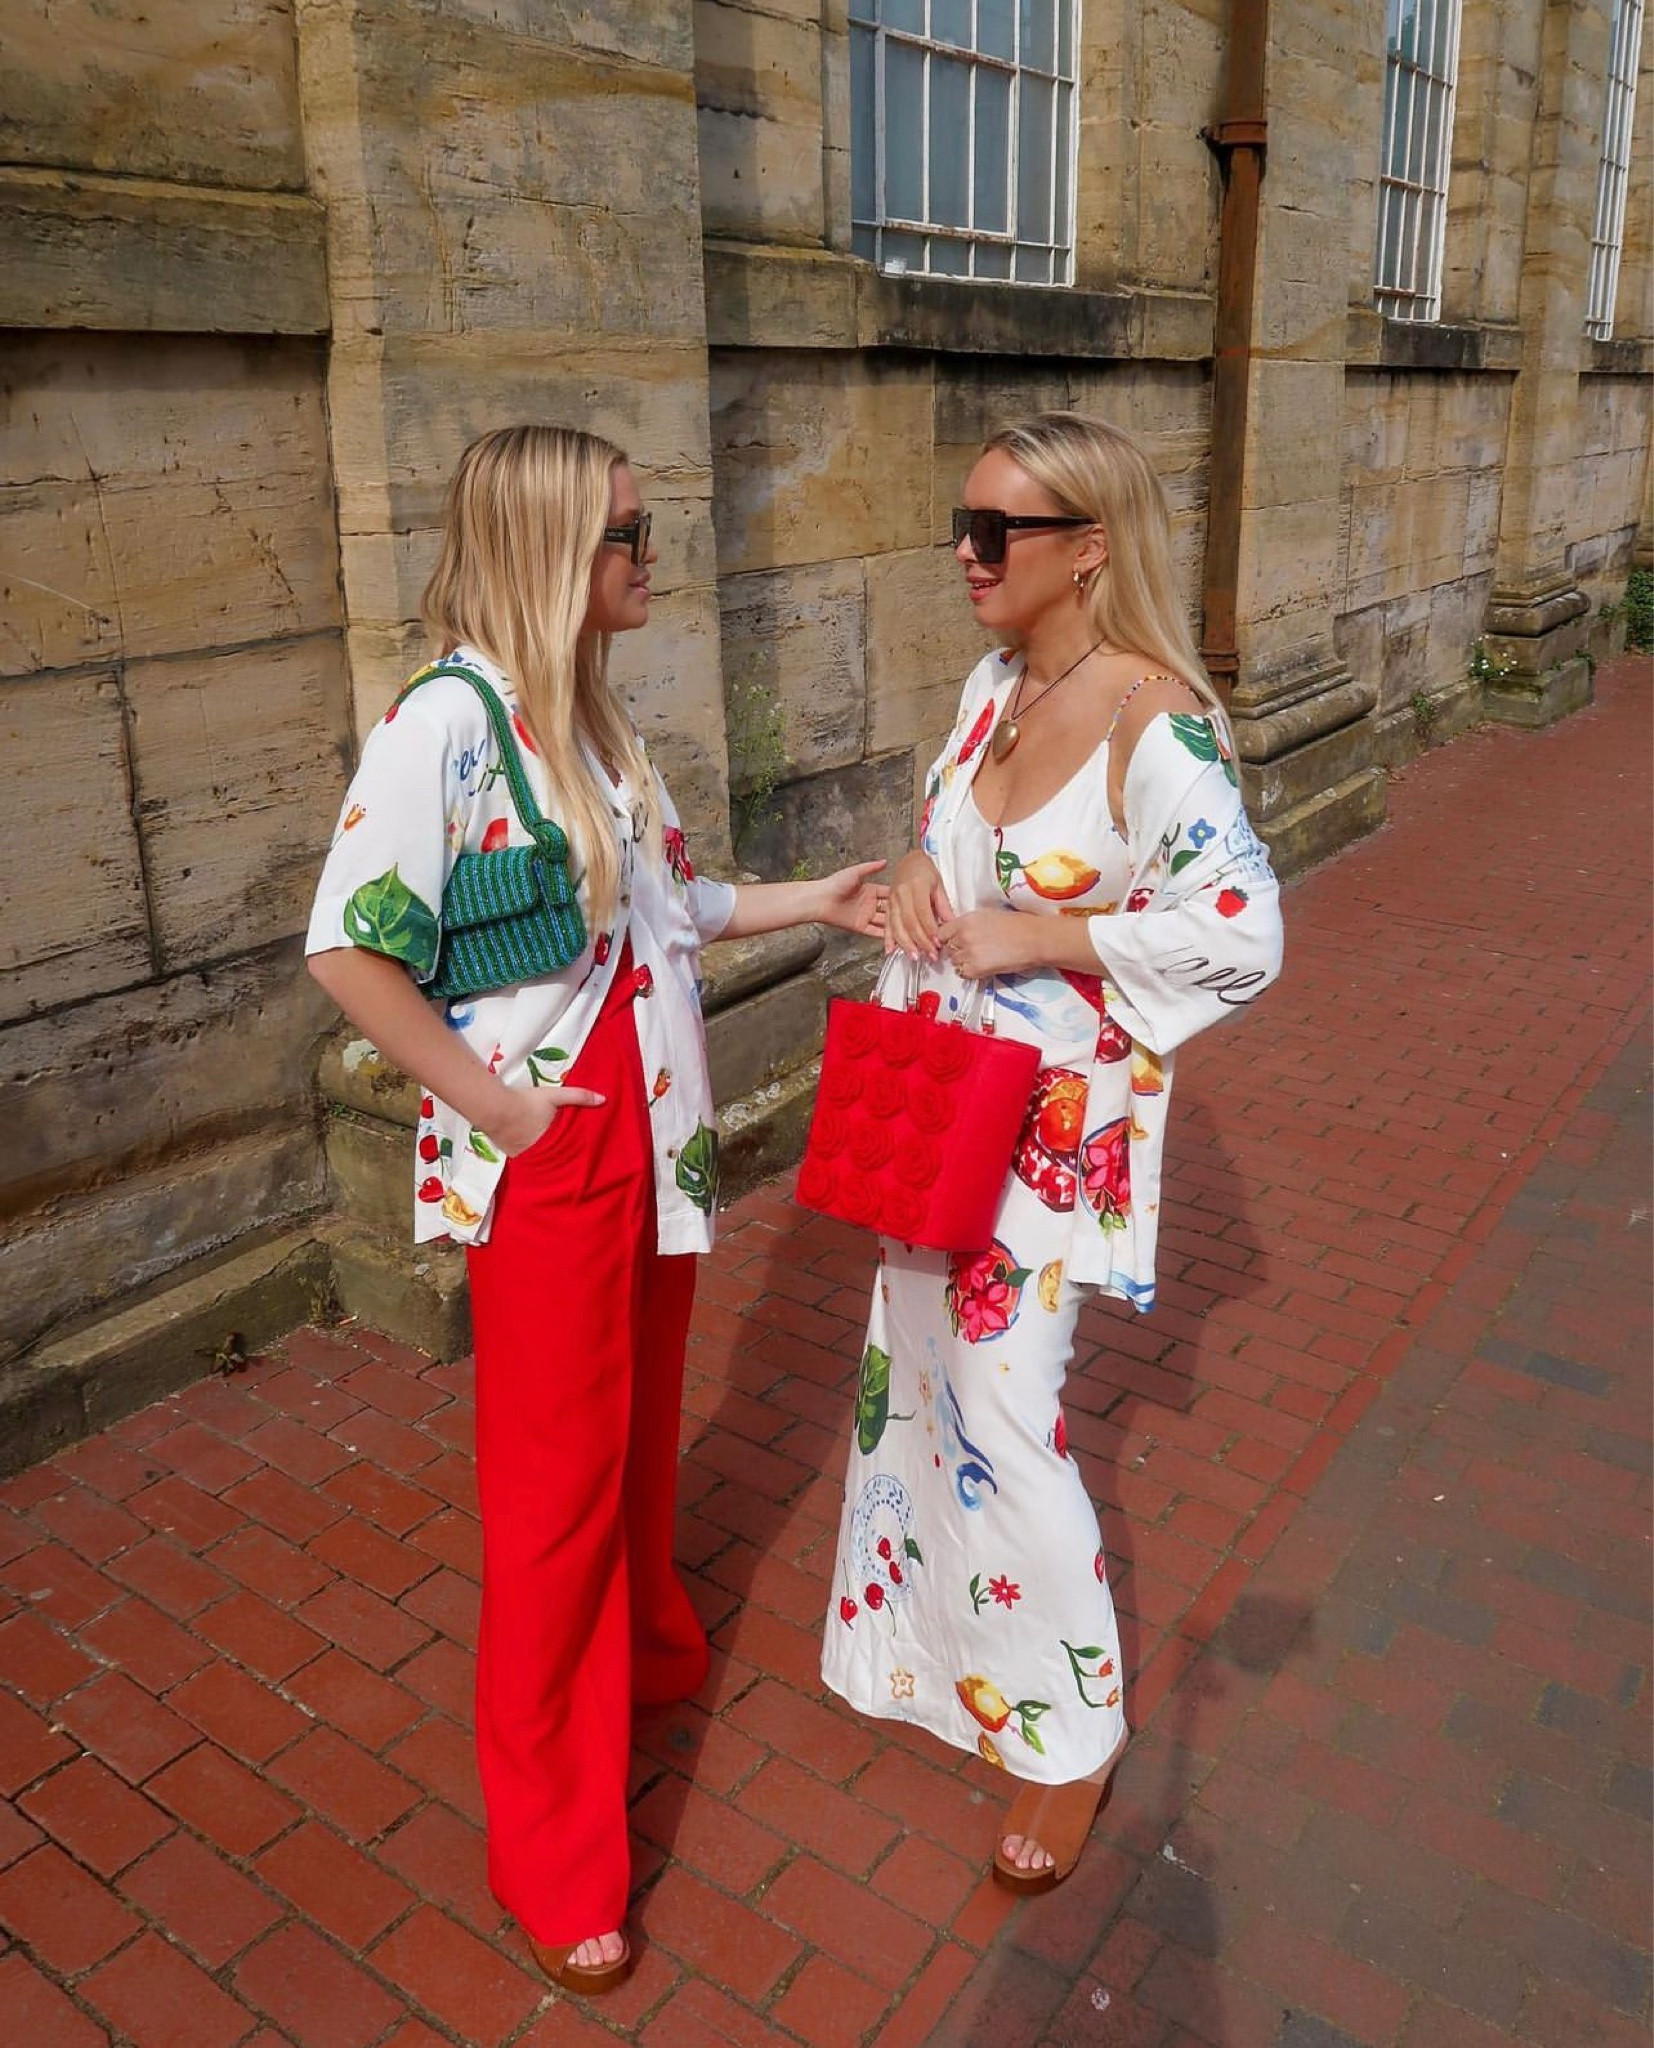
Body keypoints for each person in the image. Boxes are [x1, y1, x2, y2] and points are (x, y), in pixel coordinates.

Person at [306, 424, 886, 1991]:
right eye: (627, 532)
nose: (649, 555)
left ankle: (646, 1656)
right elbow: (347, 946)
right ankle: (554, 1842)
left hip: (655, 1140)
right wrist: (492, 1103)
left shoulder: (597, 726)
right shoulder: (444, 726)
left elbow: (669, 912)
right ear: (553, 543)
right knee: (551, 1504)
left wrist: (811, 900)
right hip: (552, 1150)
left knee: (631, 1439)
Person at [820, 411, 1283, 1892]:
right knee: (918, 1398)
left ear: (1087, 547)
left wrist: (1050, 931)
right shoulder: (994, 682)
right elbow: (932, 839)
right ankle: (935, 1658)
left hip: (1049, 1146)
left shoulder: (1156, 721)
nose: (963, 554)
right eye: (961, 525)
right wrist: (910, 877)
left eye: (993, 532)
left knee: (1008, 1420)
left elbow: (1245, 931)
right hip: (939, 1116)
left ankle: (1070, 1739)